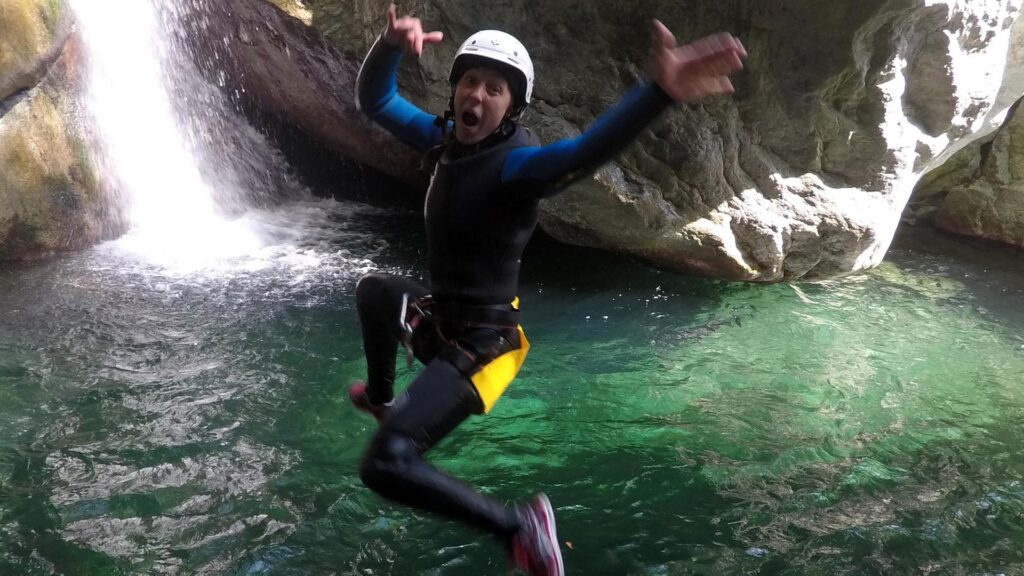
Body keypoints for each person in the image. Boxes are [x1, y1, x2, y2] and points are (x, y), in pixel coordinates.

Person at [349, 5, 746, 575]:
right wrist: (388, 47)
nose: (477, 95)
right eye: (469, 81)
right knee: (375, 291)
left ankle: (519, 526)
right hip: (443, 321)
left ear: (511, 107)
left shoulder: (518, 167)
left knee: (384, 465)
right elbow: (377, 102)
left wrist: (658, 92)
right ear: (455, 89)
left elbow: (581, 155)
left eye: (494, 88)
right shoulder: (444, 142)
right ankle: (386, 401)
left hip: (485, 345)